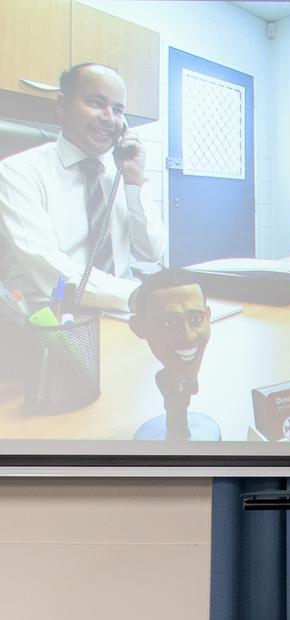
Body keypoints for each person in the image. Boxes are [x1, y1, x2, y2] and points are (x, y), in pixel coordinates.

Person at [0, 63, 165, 312]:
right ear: (63, 106)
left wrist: (135, 182)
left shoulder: (122, 171)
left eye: (118, 109)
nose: (109, 118)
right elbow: (47, 267)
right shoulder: (18, 171)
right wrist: (136, 295)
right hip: (50, 319)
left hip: (120, 312)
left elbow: (152, 252)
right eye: (96, 103)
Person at [128, 271, 212, 440]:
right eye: (169, 323)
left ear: (208, 316)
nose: (188, 336)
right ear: (139, 327)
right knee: (176, 424)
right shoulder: (164, 379)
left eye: (196, 319)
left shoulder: (187, 379)